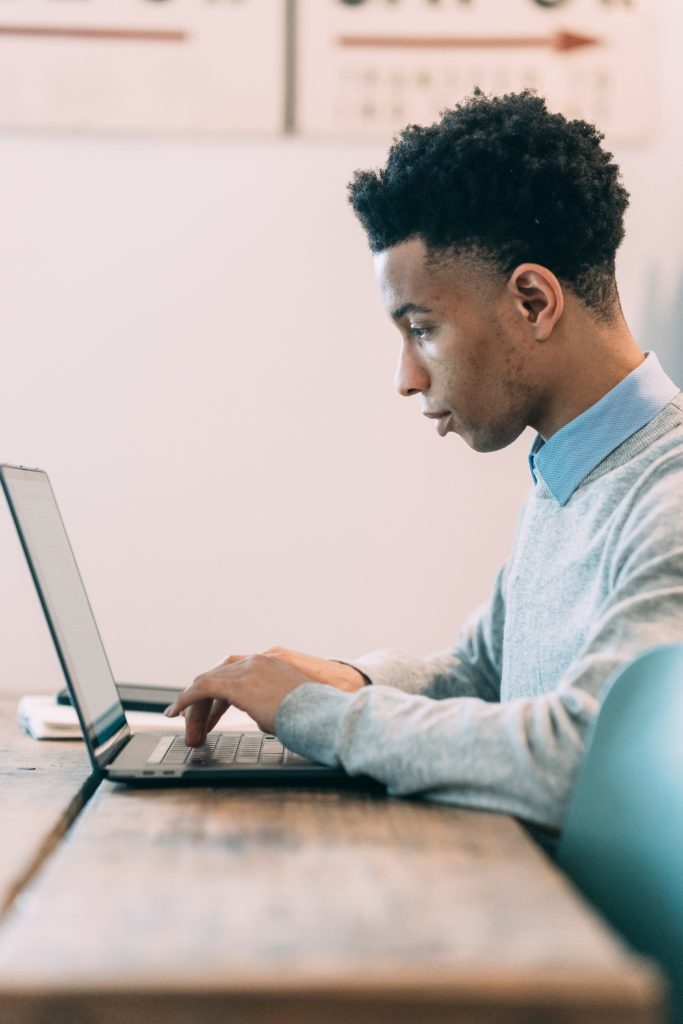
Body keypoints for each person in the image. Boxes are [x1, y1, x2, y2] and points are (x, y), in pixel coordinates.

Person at [165, 90, 683, 832]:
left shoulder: (667, 496)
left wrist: (313, 714)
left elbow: (588, 759)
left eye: (422, 328)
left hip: (590, 943)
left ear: (533, 302)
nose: (406, 376)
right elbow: (482, 669)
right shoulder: (568, 471)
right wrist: (349, 679)